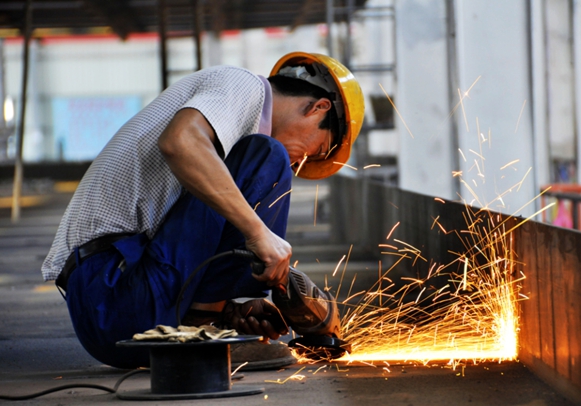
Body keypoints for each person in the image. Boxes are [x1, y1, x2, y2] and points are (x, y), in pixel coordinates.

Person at [41, 52, 364, 369]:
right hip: (113, 291)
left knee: (248, 166)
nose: (299, 165)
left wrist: (235, 304)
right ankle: (203, 330)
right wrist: (258, 234)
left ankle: (211, 321)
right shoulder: (241, 84)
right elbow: (180, 141)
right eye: (316, 151)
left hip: (119, 307)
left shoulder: (232, 135)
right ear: (318, 107)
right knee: (267, 156)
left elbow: (196, 223)